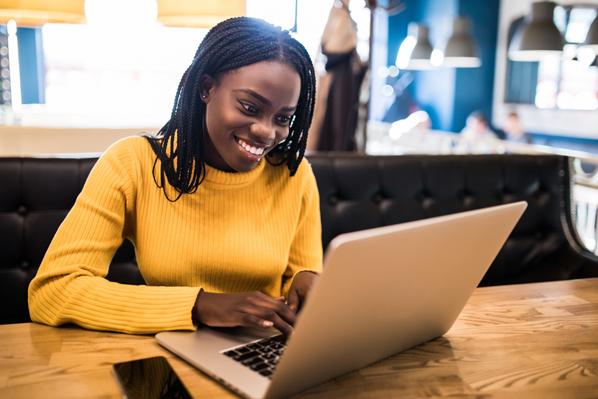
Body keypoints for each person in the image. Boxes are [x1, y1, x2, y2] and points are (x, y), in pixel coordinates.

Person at [28, 17, 322, 336]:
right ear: (206, 88)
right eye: (250, 107)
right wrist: (200, 305)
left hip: (260, 353)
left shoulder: (294, 175)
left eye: (283, 118)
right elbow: (53, 291)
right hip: (165, 356)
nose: (267, 132)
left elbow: (300, 279)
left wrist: (307, 281)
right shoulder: (134, 163)